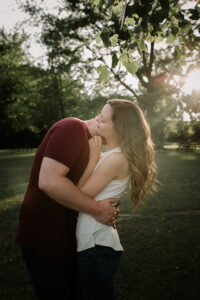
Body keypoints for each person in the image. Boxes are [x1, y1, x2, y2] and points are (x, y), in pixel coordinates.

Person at [14, 116, 119, 300]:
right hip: (45, 235)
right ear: (105, 121)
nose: (119, 140)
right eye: (120, 133)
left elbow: (79, 189)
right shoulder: (72, 128)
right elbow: (49, 181)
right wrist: (97, 209)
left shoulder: (92, 146)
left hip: (66, 238)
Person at [76, 99, 157, 300]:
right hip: (95, 244)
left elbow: (79, 194)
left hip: (96, 246)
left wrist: (93, 159)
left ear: (118, 129)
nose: (97, 122)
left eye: (103, 121)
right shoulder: (111, 155)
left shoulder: (115, 159)